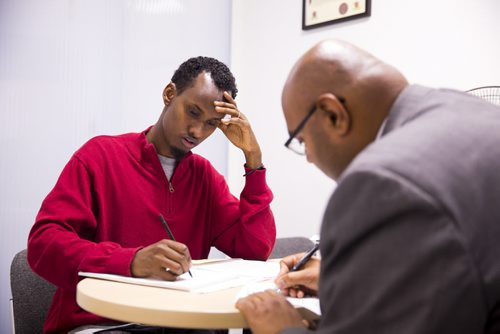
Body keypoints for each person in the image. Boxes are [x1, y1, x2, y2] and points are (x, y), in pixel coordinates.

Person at [235, 39, 500, 333]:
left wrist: (283, 329)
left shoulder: (383, 183)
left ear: (333, 114)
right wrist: (354, 283)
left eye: (302, 141)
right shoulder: (469, 111)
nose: (309, 157)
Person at [28, 56, 276, 334]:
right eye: (193, 112)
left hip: (179, 322)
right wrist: (131, 261)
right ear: (169, 94)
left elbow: (255, 248)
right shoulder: (99, 157)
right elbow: (43, 244)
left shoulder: (204, 178)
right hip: (101, 324)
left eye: (211, 123)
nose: (197, 131)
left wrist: (254, 160)